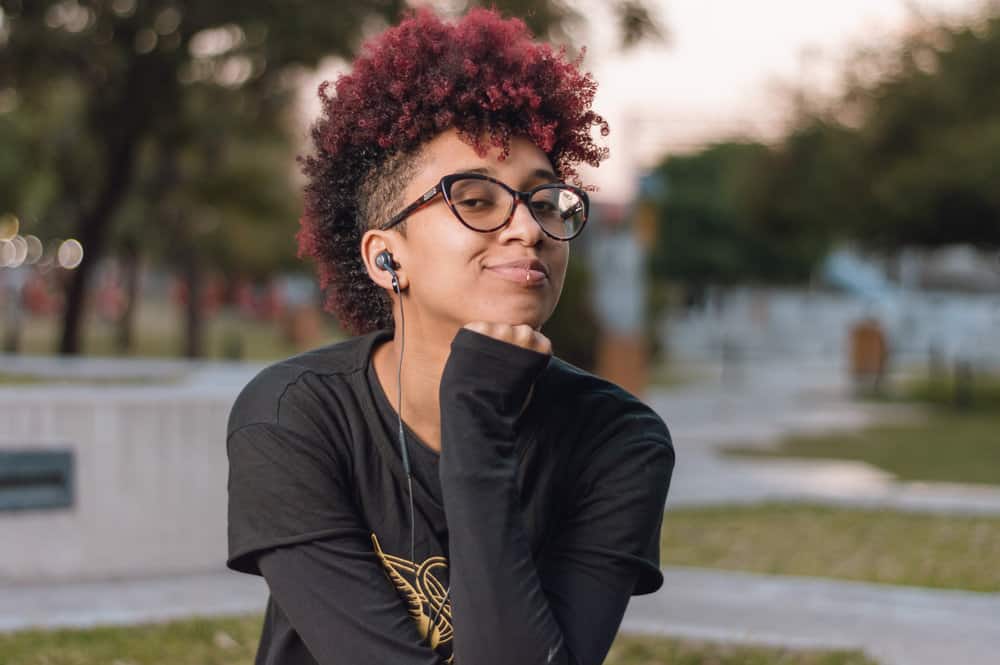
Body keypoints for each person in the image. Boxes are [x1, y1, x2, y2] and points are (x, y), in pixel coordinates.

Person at [226, 8, 674, 665]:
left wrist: (475, 409)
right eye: (476, 198)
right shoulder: (293, 420)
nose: (528, 228)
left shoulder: (618, 440)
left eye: (546, 200)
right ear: (386, 258)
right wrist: (473, 402)